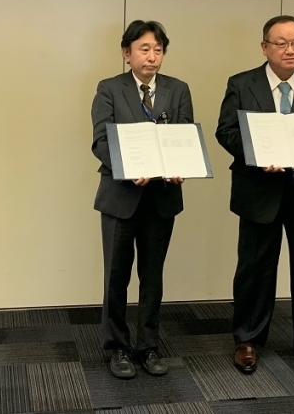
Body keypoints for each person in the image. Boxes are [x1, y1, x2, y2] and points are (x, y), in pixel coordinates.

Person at [215, 15, 294, 374]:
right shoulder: (242, 83)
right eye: (282, 43)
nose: (291, 50)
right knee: (255, 269)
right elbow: (226, 131)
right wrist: (258, 155)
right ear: (265, 47)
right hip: (260, 191)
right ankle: (248, 340)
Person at [91, 20, 194, 379]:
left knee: (152, 277)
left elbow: (183, 136)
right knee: (116, 276)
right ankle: (117, 346)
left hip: (161, 197)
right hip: (121, 196)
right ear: (127, 53)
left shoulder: (178, 89)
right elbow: (101, 141)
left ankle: (148, 345)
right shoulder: (109, 89)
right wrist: (127, 167)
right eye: (144, 49)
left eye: (158, 50)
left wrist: (180, 165)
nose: (152, 57)